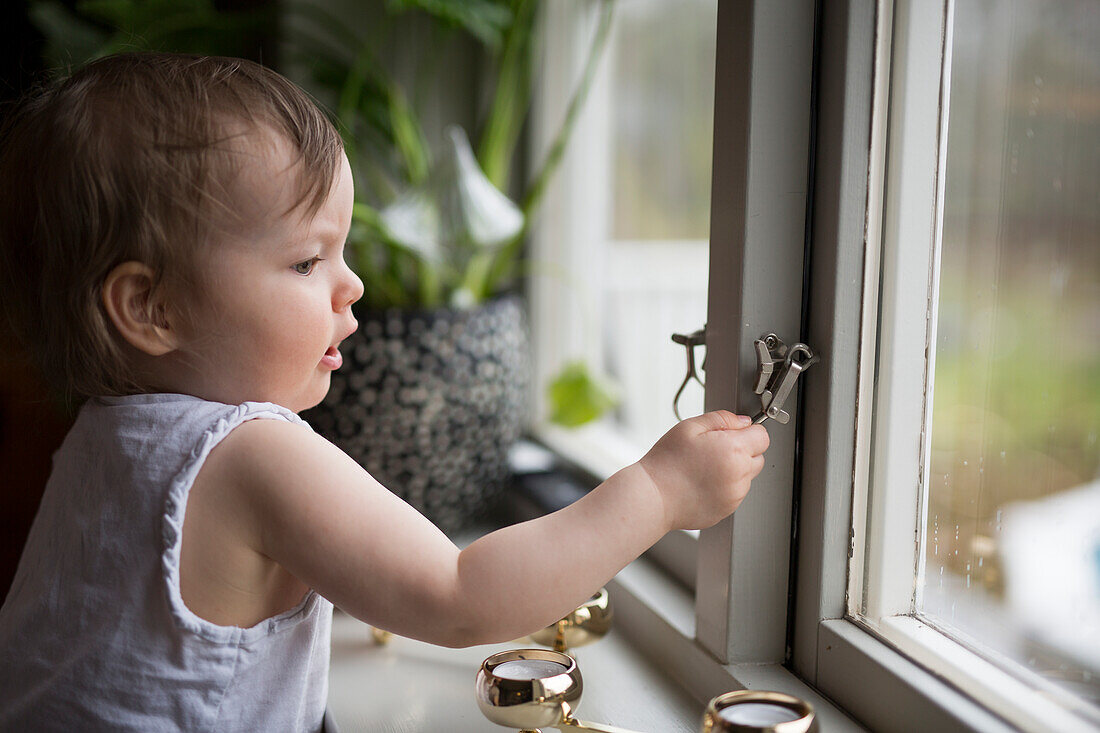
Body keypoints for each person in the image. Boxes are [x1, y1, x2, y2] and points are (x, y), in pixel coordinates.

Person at [0, 53, 770, 732]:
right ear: (150, 308)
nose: (352, 284)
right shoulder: (251, 453)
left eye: (344, 250)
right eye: (307, 261)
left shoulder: (102, 439)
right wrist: (661, 491)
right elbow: (461, 595)